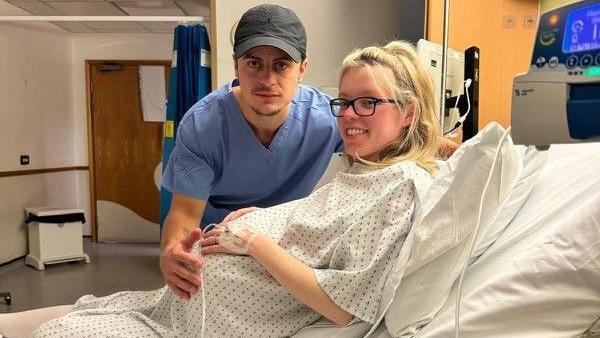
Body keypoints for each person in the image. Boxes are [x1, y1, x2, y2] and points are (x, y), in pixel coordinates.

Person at [32, 40, 442, 338]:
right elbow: (317, 223)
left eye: (367, 102)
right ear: (236, 68)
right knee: (58, 327)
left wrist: (256, 240)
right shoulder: (360, 169)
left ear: (408, 112)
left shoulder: (400, 185)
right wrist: (266, 218)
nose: (349, 115)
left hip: (222, 319)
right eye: (345, 101)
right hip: (190, 299)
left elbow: (342, 306)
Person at [159, 3, 342, 301]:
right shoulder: (203, 125)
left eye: (281, 65)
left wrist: (437, 143)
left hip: (288, 246)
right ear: (236, 65)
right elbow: (184, 213)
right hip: (220, 248)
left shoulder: (327, 118)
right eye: (254, 64)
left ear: (302, 69)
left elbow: (385, 140)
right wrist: (172, 253)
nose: (267, 80)